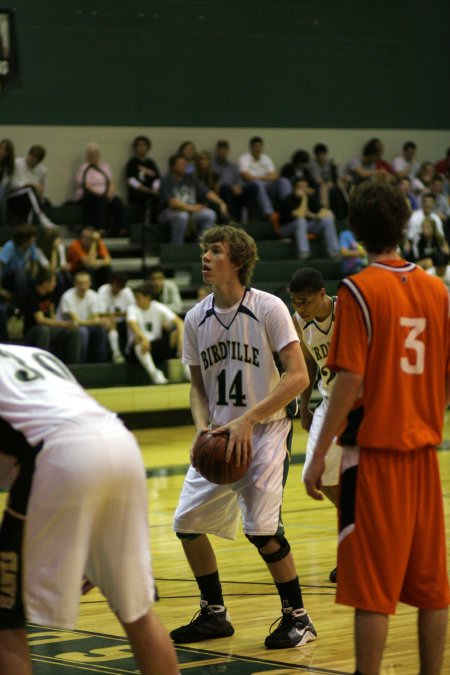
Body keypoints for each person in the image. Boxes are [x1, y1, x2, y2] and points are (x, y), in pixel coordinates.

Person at [303, 180, 449, 675]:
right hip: (425, 457)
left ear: (356, 230)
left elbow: (350, 381)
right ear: (405, 224)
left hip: (374, 457)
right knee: (433, 589)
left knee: (373, 592)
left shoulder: (358, 290)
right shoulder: (437, 289)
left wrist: (319, 452)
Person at [171, 225, 316, 649]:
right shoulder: (196, 318)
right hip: (219, 434)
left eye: (214, 251)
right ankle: (214, 614)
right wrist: (202, 427)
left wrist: (249, 420)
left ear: (236, 261)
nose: (205, 257)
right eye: (204, 250)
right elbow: (197, 387)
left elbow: (299, 376)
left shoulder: (269, 308)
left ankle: (299, 618)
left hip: (266, 430)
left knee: (262, 530)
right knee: (186, 524)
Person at [0, 342, 179, 675]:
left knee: (6, 621)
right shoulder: (31, 354)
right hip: (119, 441)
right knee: (137, 613)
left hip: (56, 454)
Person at [289, 267, 343, 583]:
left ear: (323, 294)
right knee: (317, 474)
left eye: (305, 301)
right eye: (295, 302)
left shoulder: (346, 310)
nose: (300, 308)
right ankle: (356, 522)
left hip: (360, 402)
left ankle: (355, 546)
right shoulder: (299, 321)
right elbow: (309, 362)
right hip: (327, 401)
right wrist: (305, 404)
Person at [159, 154, 226, 244]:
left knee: (210, 214)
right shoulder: (166, 179)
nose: (183, 166)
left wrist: (221, 203)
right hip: (170, 212)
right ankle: (176, 247)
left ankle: (200, 247)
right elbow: (172, 202)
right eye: (180, 164)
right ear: (173, 166)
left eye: (184, 164)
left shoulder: (190, 178)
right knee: (182, 216)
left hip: (191, 212)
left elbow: (207, 192)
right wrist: (191, 208)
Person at [126, 283, 184, 385]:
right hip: (136, 350)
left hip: (156, 346)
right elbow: (132, 323)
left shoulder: (157, 307)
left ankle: (187, 369)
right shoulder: (132, 308)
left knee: (178, 334)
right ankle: (155, 374)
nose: (136, 300)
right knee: (139, 341)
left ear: (148, 297)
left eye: (138, 297)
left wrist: (181, 342)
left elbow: (179, 322)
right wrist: (143, 338)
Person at [22, 266, 82, 364]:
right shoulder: (31, 295)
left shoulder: (50, 294)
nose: (55, 284)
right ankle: (42, 365)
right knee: (44, 330)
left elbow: (53, 317)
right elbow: (40, 320)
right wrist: (65, 324)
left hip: (48, 329)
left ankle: (73, 367)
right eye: (53, 282)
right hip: (32, 331)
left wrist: (66, 326)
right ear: (46, 283)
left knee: (74, 331)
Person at [278, 178, 340, 259]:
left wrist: (317, 215)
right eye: (300, 187)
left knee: (327, 220)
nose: (303, 189)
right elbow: (300, 215)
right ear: (294, 188)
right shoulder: (288, 199)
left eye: (305, 186)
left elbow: (324, 211)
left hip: (305, 226)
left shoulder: (311, 198)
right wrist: (304, 198)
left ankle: (334, 251)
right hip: (286, 228)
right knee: (301, 221)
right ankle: (304, 252)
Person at [75, 142, 127, 237]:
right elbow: (86, 185)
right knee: (100, 201)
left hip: (105, 194)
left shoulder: (104, 166)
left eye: (95, 153)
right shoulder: (84, 167)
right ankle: (102, 229)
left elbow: (111, 182)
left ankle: (121, 228)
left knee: (117, 201)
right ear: (87, 156)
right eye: (90, 154)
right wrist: (100, 194)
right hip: (90, 195)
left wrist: (110, 193)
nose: (93, 156)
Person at [57, 270, 109, 363]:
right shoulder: (67, 296)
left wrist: (97, 321)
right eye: (80, 283)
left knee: (100, 330)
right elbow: (75, 321)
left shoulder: (93, 295)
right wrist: (96, 321)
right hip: (65, 328)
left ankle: (100, 363)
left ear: (90, 283)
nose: (83, 286)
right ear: (75, 283)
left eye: (85, 283)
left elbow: (95, 318)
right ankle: (81, 363)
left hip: (84, 326)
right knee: (82, 331)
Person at [239, 136, 292, 221]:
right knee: (258, 183)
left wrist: (261, 178)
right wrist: (265, 177)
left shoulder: (266, 158)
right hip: (252, 186)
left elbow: (275, 175)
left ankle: (290, 208)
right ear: (251, 147)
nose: (257, 149)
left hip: (268, 185)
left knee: (284, 181)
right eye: (255, 147)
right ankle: (269, 213)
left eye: (259, 146)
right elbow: (247, 177)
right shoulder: (244, 158)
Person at [7, 144, 56, 228]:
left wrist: (41, 193)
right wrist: (29, 184)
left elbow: (42, 187)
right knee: (30, 189)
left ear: (38, 162)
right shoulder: (17, 163)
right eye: (31, 156)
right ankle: (41, 217)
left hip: (29, 196)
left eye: (35, 159)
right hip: (14, 194)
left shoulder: (42, 170)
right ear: (28, 154)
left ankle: (27, 224)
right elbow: (13, 184)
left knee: (34, 197)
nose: (31, 160)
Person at [98, 271, 136, 362]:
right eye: (115, 285)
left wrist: (119, 314)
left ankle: (131, 351)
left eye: (120, 287)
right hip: (107, 321)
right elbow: (101, 313)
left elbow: (133, 310)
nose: (117, 289)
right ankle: (116, 353)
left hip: (124, 321)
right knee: (111, 320)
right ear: (112, 283)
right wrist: (117, 315)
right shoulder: (103, 290)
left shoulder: (127, 291)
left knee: (133, 321)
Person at [0, 223, 39, 309]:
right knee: (20, 272)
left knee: (30, 278)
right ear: (25, 239)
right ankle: (23, 306)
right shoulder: (10, 246)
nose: (34, 238)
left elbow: (34, 264)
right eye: (32, 237)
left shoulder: (31, 245)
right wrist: (1, 289)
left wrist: (32, 279)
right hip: (8, 278)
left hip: (21, 277)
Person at [125, 135, 160, 224]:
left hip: (151, 191)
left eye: (144, 145)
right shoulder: (132, 162)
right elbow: (130, 180)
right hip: (138, 192)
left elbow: (157, 178)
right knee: (142, 198)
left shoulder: (151, 163)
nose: (142, 147)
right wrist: (144, 189)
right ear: (135, 148)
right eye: (139, 145)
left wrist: (155, 188)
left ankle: (154, 225)